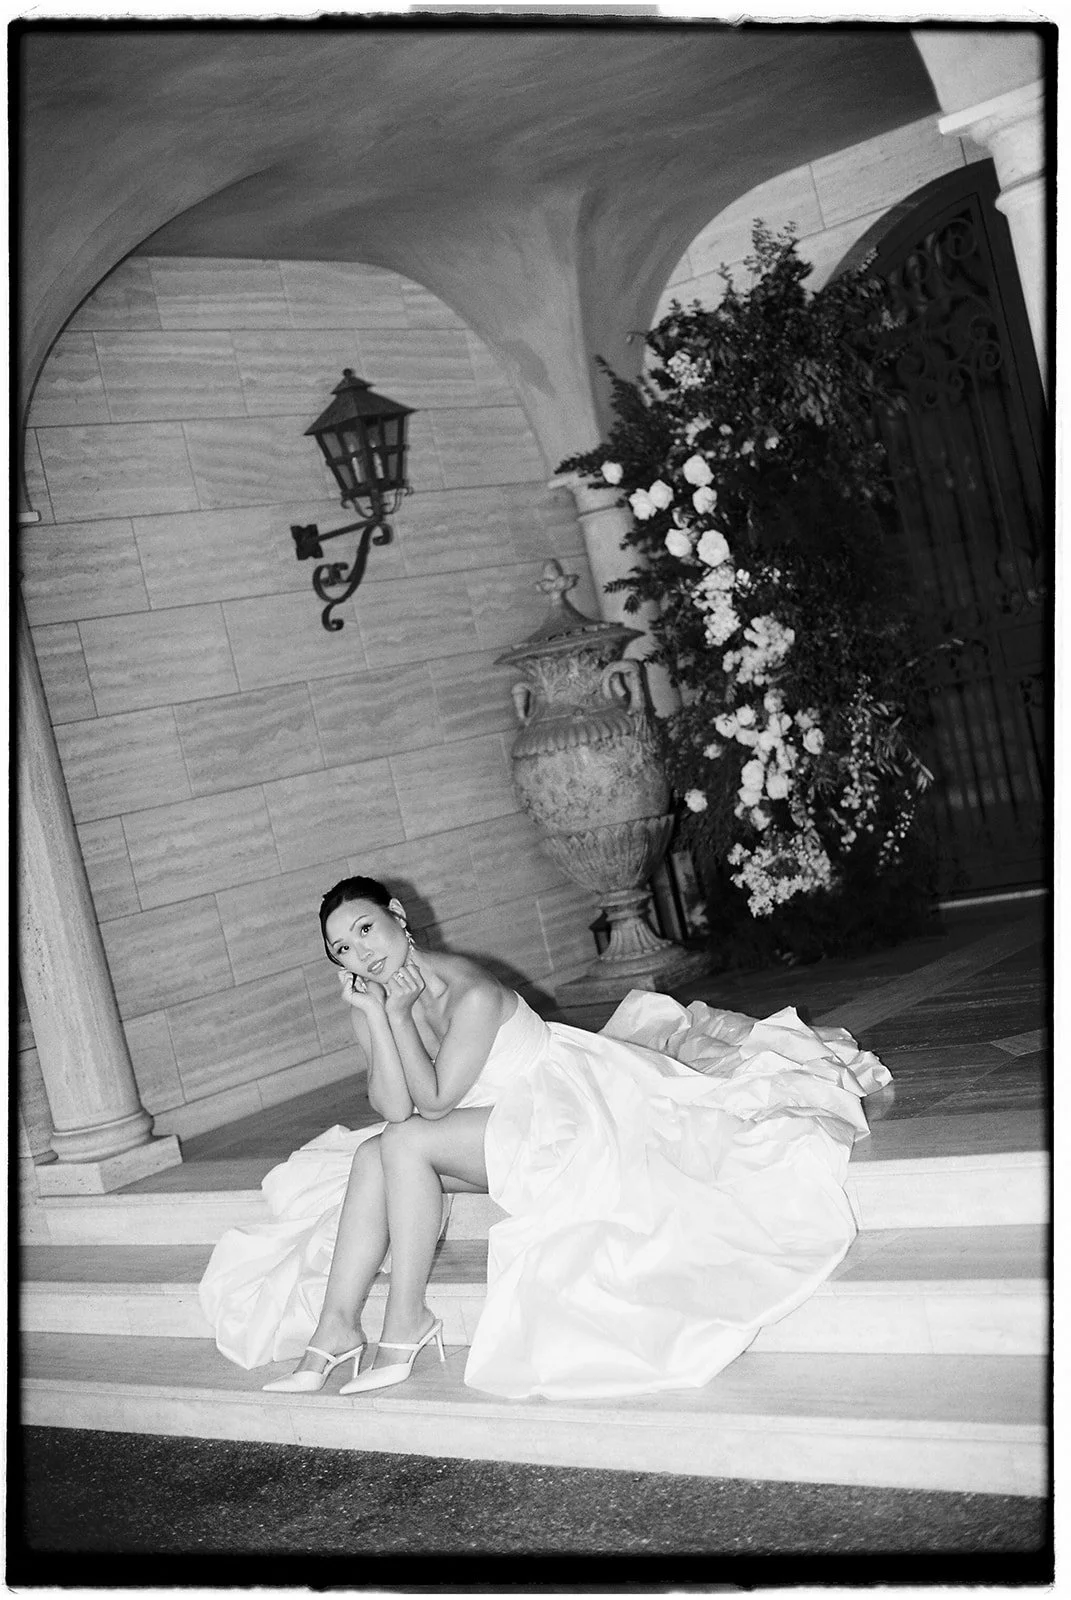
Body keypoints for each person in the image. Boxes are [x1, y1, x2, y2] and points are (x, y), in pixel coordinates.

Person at [199, 874, 891, 1401]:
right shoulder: (374, 997)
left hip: (560, 1121)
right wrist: (379, 1019)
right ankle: (336, 1327)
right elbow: (390, 1103)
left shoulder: (468, 988)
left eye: (365, 931)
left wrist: (402, 1015)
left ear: (398, 920)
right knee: (377, 1147)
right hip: (491, 1131)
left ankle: (404, 1320)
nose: (359, 954)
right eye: (341, 948)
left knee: (400, 1145)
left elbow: (430, 1104)